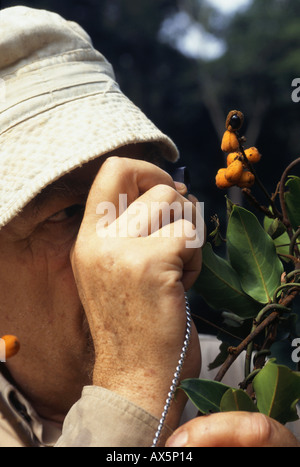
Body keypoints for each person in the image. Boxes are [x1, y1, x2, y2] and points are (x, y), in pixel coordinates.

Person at [0, 5, 298, 447]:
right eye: (66, 213)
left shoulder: (257, 383)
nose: (133, 235)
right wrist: (134, 390)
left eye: (139, 191)